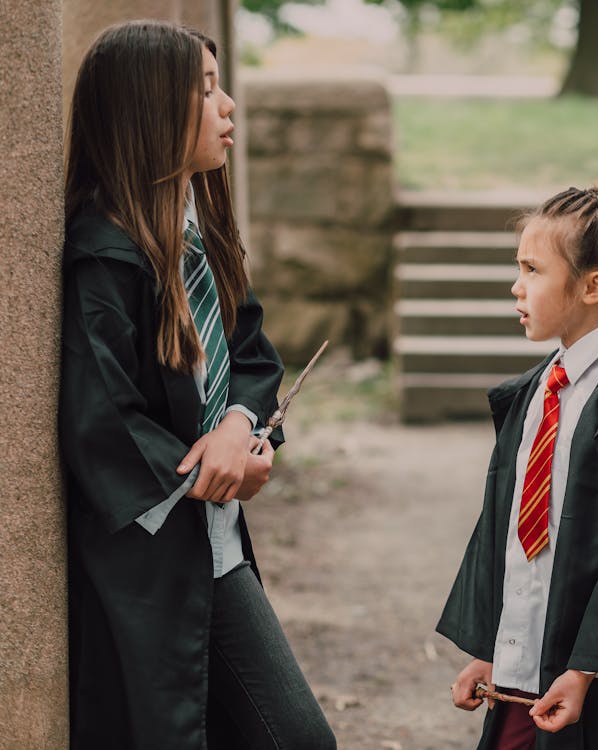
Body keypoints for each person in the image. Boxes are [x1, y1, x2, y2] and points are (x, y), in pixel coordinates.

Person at [59, 21, 335, 749]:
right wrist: (209, 474)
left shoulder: (199, 227)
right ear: (152, 110)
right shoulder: (106, 255)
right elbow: (102, 417)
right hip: (150, 555)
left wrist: (242, 428)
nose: (230, 106)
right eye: (207, 90)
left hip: (215, 541)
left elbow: (250, 351)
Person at [437, 187, 598, 750]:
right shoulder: (537, 391)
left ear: (593, 287)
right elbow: (507, 533)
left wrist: (584, 669)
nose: (517, 285)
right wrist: (493, 649)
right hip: (525, 670)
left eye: (533, 269)